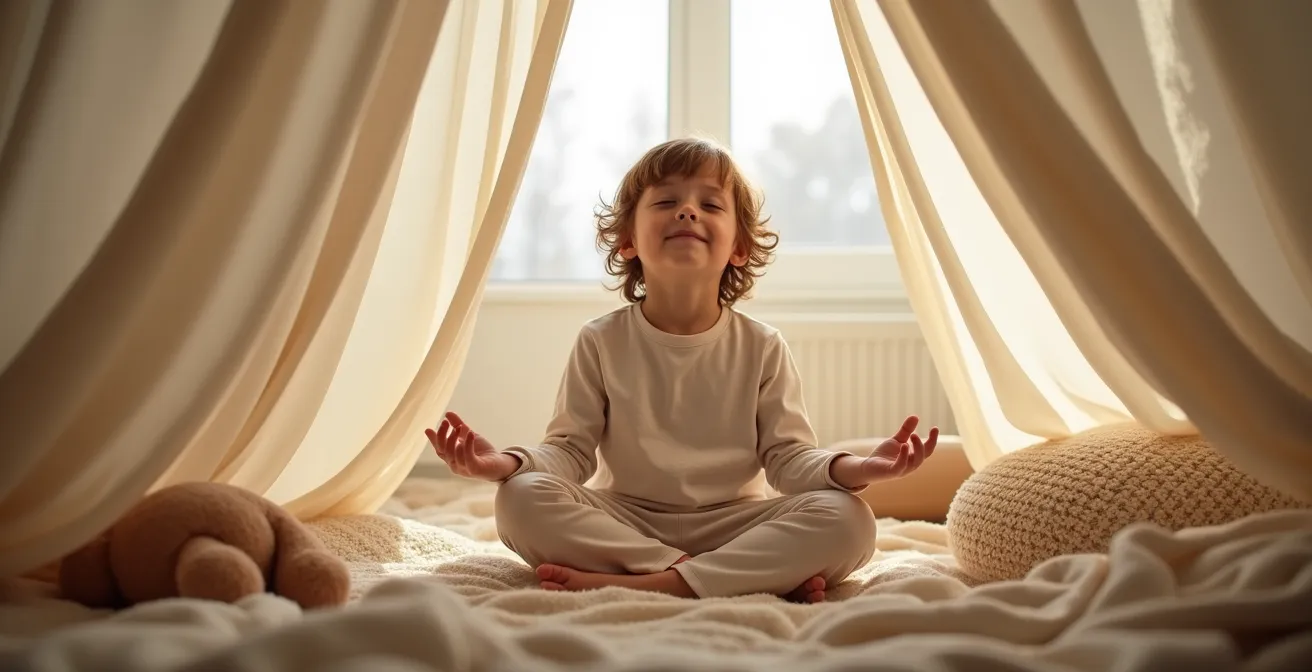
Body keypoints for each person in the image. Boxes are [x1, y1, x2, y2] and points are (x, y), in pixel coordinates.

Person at [426, 137, 938, 602]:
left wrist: (861, 469)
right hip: (625, 519)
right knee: (518, 499)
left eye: (710, 204)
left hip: (734, 522)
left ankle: (654, 582)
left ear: (738, 248)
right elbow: (569, 452)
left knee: (850, 520)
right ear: (628, 241)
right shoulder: (600, 340)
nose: (688, 212)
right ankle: (716, 577)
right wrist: (502, 465)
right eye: (668, 201)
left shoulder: (763, 345)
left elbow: (788, 459)